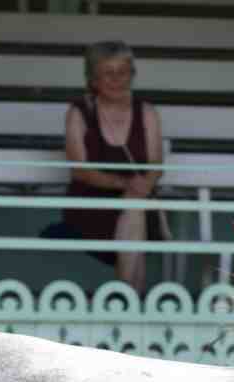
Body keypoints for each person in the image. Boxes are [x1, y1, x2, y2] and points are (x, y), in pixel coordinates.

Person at [61, 41, 167, 293]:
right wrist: (125, 184)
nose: (118, 79)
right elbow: (79, 169)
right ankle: (131, 298)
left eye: (124, 71)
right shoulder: (79, 112)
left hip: (138, 201)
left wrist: (143, 186)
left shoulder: (147, 112)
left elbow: (156, 165)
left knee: (134, 207)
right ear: (93, 78)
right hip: (91, 207)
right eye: (109, 72)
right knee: (134, 208)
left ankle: (123, 298)